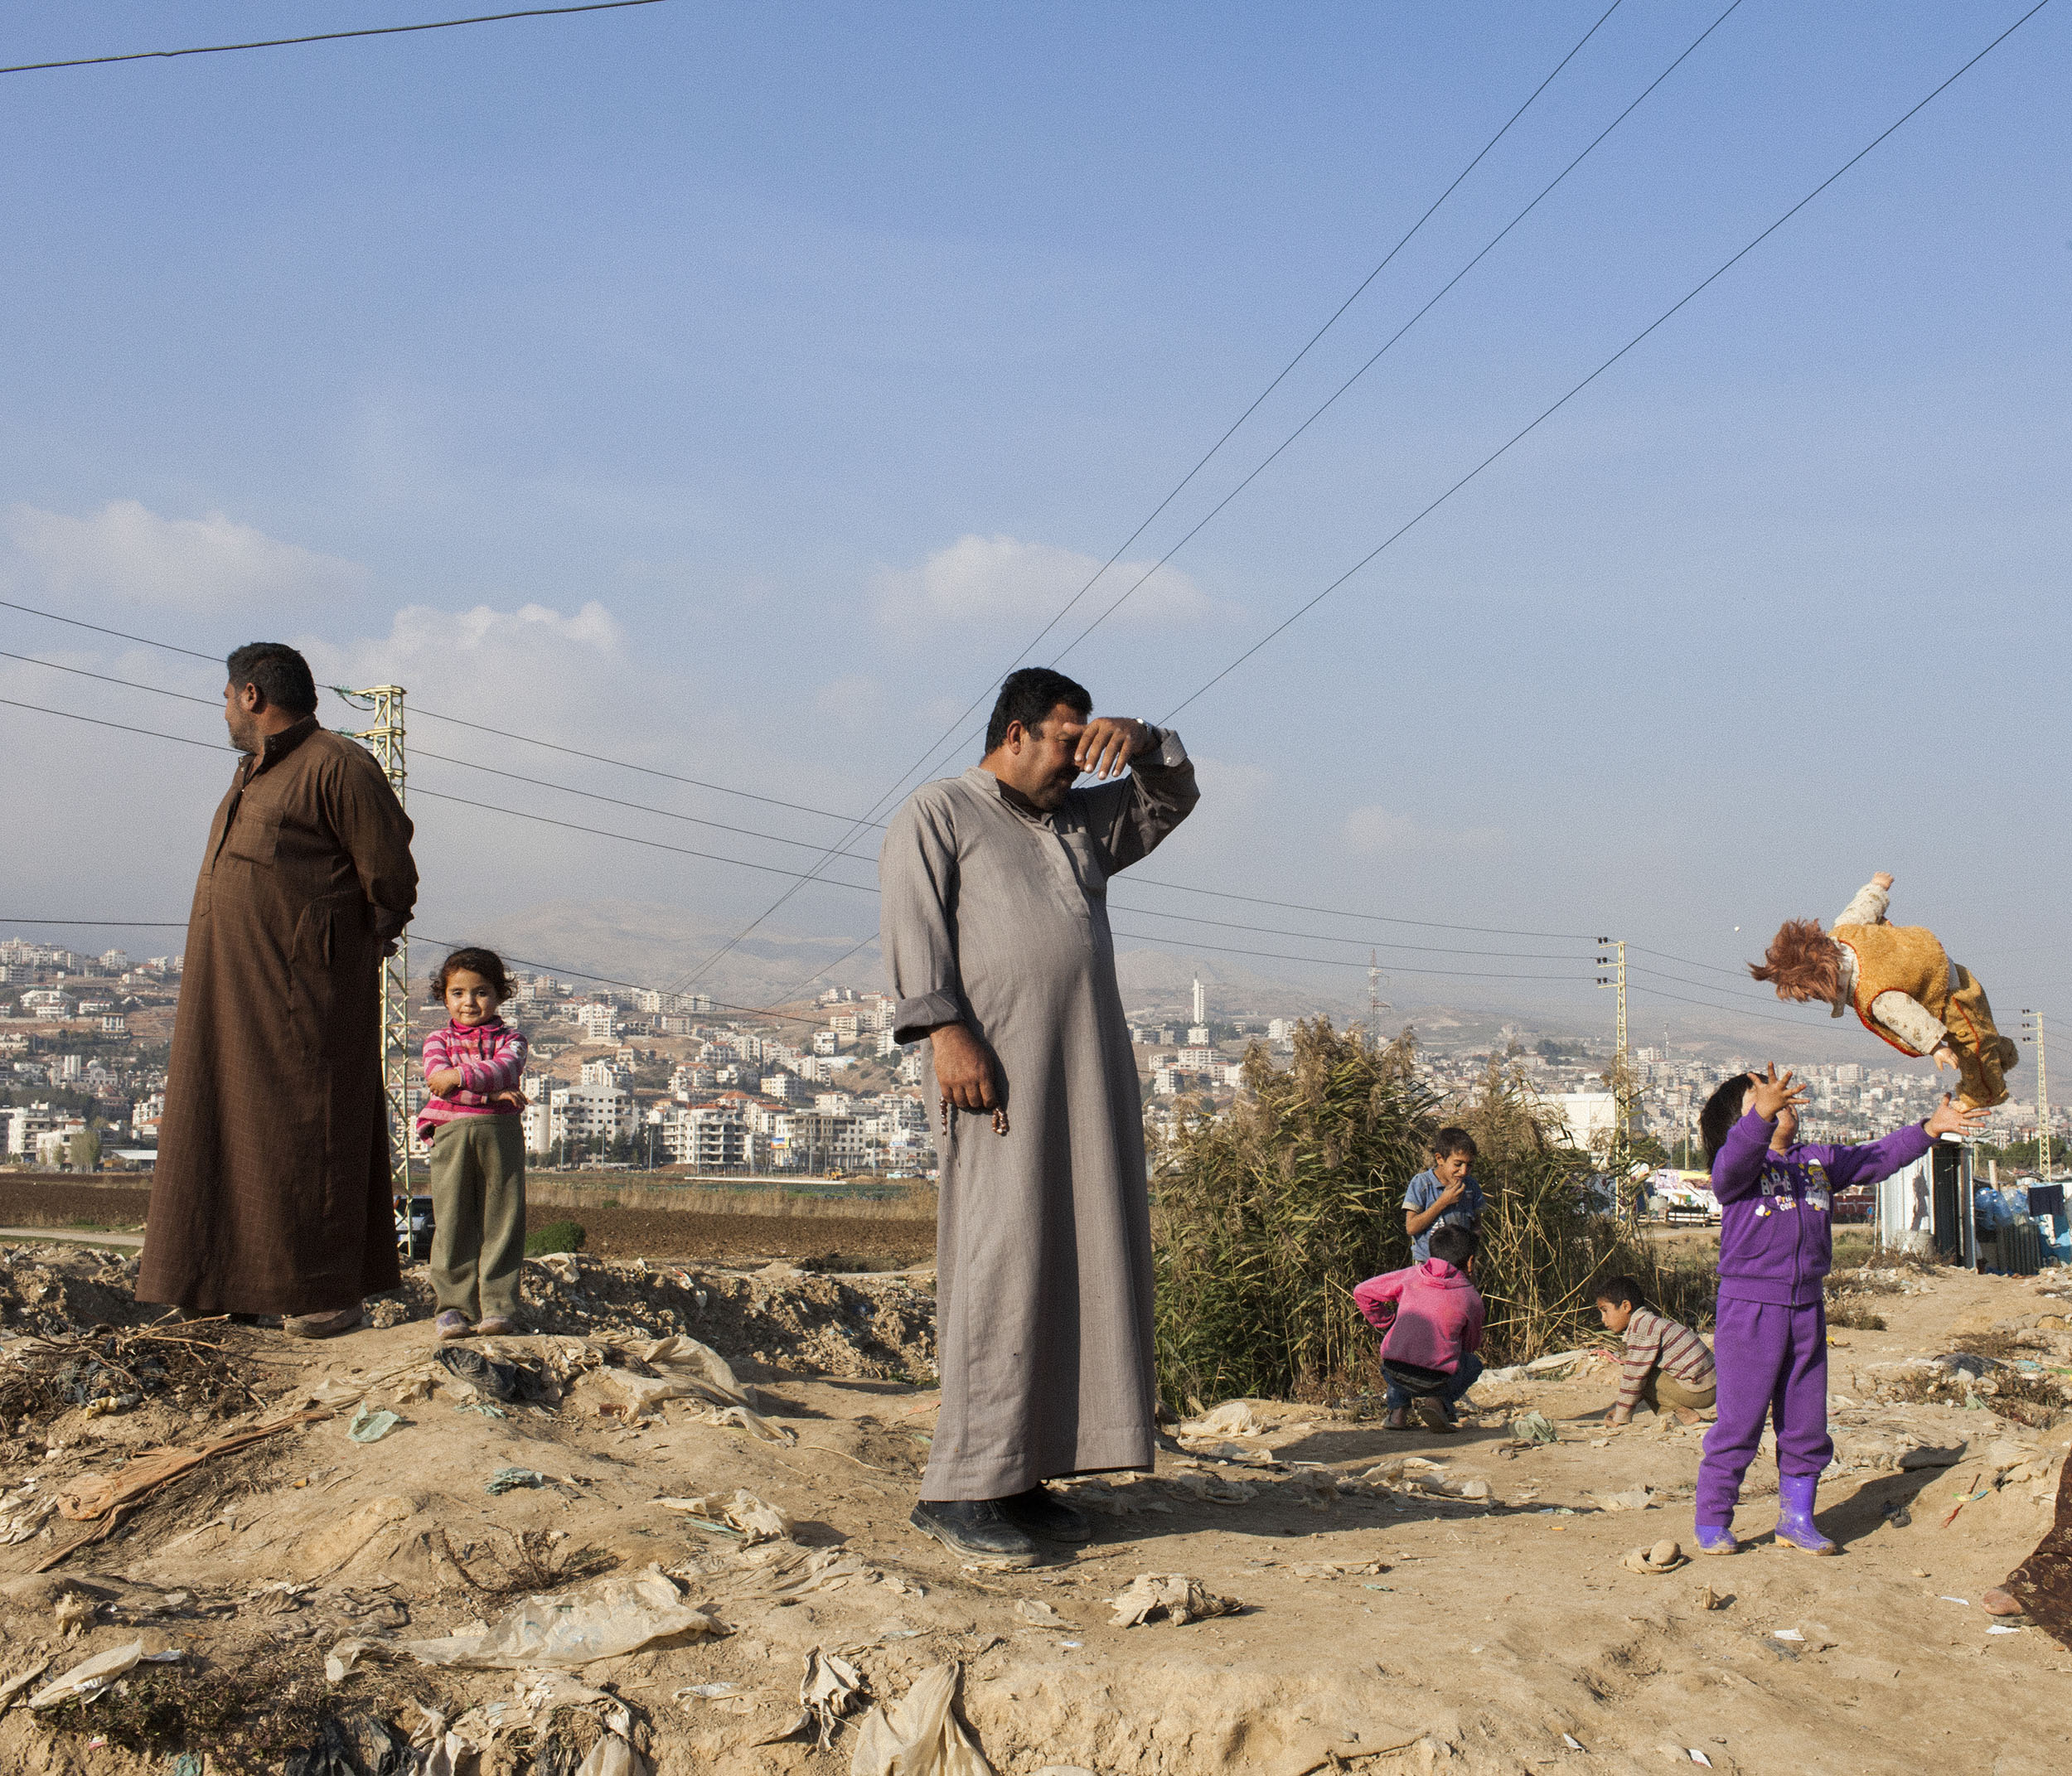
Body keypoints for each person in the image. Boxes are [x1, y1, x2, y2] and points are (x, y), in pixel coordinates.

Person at [879, 665, 1199, 1565]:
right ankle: (960, 1485)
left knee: (1070, 1257)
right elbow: (913, 928)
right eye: (1066, 740)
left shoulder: (1076, 824)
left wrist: (1142, 740)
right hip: (997, 1075)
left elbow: (1169, 800)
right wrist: (947, 1034)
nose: (1076, 760)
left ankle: (1025, 1473)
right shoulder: (940, 811)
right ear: (1014, 734)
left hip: (1085, 1074)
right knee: (999, 1259)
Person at [141, 643, 417, 1338]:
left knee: (307, 1133)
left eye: (226, 694)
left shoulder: (337, 764)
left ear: (253, 695)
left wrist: (339, 952)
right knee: (224, 1128)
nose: (224, 708)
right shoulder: (255, 773)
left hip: (303, 1000)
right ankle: (227, 1285)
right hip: (229, 994)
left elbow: (391, 876)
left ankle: (324, 1293)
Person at [1693, 1064, 1984, 1556]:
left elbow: (1875, 1158)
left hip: (1806, 1307)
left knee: (1805, 1420)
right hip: (1749, 1309)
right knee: (1739, 1421)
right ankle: (1713, 1518)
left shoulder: (1817, 1162)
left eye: (1780, 1096)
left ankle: (1798, 1518)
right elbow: (1733, 1163)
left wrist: (1930, 1129)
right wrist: (1758, 1121)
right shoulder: (1737, 1168)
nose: (1778, 1100)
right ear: (1738, 1123)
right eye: (1762, 1098)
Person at [1750, 872, 2018, 1108]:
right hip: (1949, 968)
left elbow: (1906, 1016)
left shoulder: (1871, 991)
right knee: (1983, 1031)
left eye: (1813, 994)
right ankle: (2001, 1054)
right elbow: (1862, 908)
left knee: (1973, 1046)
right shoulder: (1845, 932)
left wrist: (1935, 1047)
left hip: (1946, 996)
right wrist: (1877, 886)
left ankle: (1983, 1095)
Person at [419, 946, 530, 1339]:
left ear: (500, 995)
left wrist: (460, 1079)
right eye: (458, 993)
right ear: (444, 996)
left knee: (502, 1219)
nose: (469, 1002)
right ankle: (453, 1309)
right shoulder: (436, 1040)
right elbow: (437, 1082)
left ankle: (499, 1307)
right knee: (451, 1221)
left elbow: (505, 1068)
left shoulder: (513, 1040)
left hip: (500, 1137)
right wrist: (491, 1095)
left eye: (481, 992)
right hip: (451, 1136)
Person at [1353, 1224, 1485, 1433]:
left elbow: (1362, 1292)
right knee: (1473, 1364)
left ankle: (1397, 1414)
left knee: (1404, 1346)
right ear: (1470, 1262)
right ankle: (1437, 1403)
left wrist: (1387, 1322)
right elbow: (1470, 1345)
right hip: (1436, 1379)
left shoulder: (1411, 1276)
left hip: (1393, 1371)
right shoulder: (1471, 1298)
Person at [1595, 1275, 1716, 1427]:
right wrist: (1620, 1408)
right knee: (1642, 1374)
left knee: (1640, 1375)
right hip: (1711, 1386)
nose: (1603, 1319)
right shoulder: (1650, 1322)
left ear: (1626, 1306)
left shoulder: (1642, 1329)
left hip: (1701, 1391)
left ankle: (1684, 1415)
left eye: (1605, 1311)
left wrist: (1621, 1417)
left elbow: (1634, 1379)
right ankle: (1681, 1415)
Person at [1402, 1127, 1483, 1264]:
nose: (1463, 1171)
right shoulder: (1422, 1184)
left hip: (1460, 1265)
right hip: (1427, 1265)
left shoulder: (1471, 1187)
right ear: (1440, 1159)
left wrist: (1471, 1258)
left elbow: (1476, 1226)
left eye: (1469, 1165)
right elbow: (1411, 1228)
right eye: (1458, 1164)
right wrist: (1443, 1202)